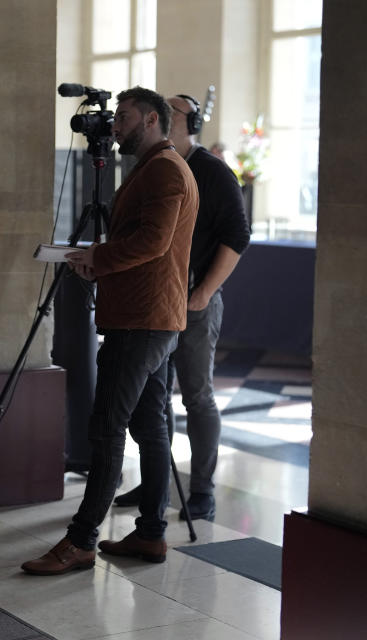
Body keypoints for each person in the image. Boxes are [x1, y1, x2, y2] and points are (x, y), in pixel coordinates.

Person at [21, 87, 198, 575]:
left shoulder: (164, 169)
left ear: (152, 120)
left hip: (141, 320)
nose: (115, 126)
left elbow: (153, 241)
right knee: (149, 428)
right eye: (115, 117)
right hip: (152, 317)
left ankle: (80, 542)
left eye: (124, 118)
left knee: (107, 429)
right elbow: (141, 239)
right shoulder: (156, 168)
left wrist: (97, 257)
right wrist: (100, 255)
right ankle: (149, 534)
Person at [113, 94, 250, 521]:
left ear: (191, 123)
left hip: (194, 301)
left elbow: (237, 235)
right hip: (157, 301)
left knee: (196, 394)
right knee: (155, 397)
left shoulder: (210, 171)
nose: (167, 119)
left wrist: (205, 291)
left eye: (176, 113)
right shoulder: (154, 165)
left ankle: (202, 490)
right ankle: (156, 483)